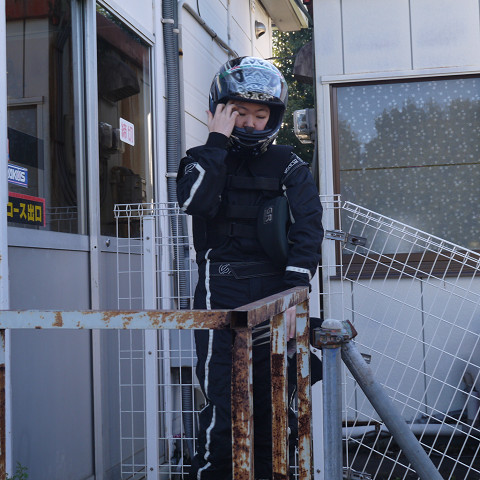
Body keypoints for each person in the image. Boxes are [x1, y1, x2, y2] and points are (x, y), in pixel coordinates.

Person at [176, 56, 323, 480]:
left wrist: (294, 295)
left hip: (278, 293)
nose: (251, 123)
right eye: (240, 112)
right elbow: (195, 202)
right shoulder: (200, 160)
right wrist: (216, 142)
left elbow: (308, 228)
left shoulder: (289, 163)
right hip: (219, 293)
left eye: (261, 115)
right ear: (219, 109)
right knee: (225, 403)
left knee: (274, 404)